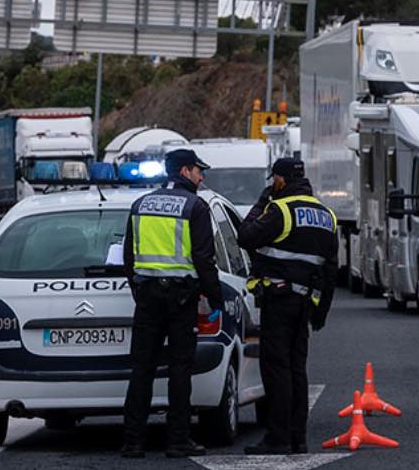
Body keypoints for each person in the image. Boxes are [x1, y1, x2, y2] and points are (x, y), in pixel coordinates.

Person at [120, 148, 225, 458]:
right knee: (180, 369)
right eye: (197, 170)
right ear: (184, 172)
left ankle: (133, 441)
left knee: (142, 369)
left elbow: (129, 255)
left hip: (148, 297)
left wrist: (138, 289)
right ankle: (178, 440)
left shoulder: (141, 204)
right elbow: (204, 259)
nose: (201, 176)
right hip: (182, 299)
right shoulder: (195, 206)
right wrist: (215, 296)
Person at [237, 158, 339, 455]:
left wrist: (261, 202)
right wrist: (323, 310)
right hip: (306, 302)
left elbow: (246, 236)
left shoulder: (279, 210)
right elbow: (331, 269)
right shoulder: (326, 215)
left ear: (280, 180)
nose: (273, 184)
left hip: (279, 300)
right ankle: (298, 438)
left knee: (276, 368)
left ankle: (278, 437)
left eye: (274, 180)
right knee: (297, 369)